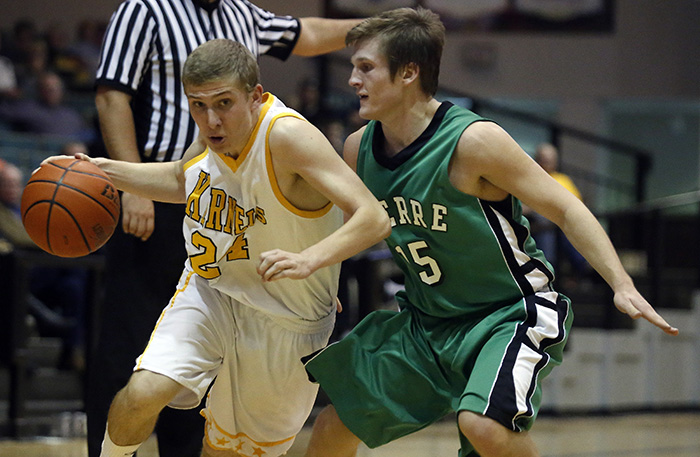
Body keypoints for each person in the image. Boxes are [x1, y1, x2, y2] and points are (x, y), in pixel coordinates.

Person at [302, 8, 679, 457]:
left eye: (365, 67)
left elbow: (565, 207)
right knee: (334, 425)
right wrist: (324, 280)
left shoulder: (474, 142)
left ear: (408, 73)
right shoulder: (357, 147)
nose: (351, 80)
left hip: (507, 311)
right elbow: (353, 233)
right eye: (352, 67)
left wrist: (621, 283)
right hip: (427, 320)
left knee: (483, 428)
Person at [51, 38, 389, 457]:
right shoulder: (210, 134)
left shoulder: (288, 136)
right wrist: (103, 171)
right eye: (198, 105)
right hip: (212, 289)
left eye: (224, 103)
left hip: (286, 318)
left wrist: (310, 259)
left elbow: (373, 217)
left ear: (256, 97)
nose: (210, 119)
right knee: (141, 393)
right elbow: (183, 180)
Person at [0, 160, 88, 371]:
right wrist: (45, 240)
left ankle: (71, 348)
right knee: (71, 260)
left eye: (15, 184)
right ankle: (50, 325)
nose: (12, 188)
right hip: (15, 275)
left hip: (38, 272)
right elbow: (22, 239)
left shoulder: (25, 209)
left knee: (74, 286)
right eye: (6, 183)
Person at [527, 142, 587, 275]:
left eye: (550, 158)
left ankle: (581, 267)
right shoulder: (531, 178)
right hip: (542, 221)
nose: (547, 161)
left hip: (563, 220)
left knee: (573, 226)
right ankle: (550, 267)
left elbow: (577, 203)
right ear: (538, 159)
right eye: (544, 158)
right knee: (546, 223)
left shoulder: (563, 179)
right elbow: (523, 206)